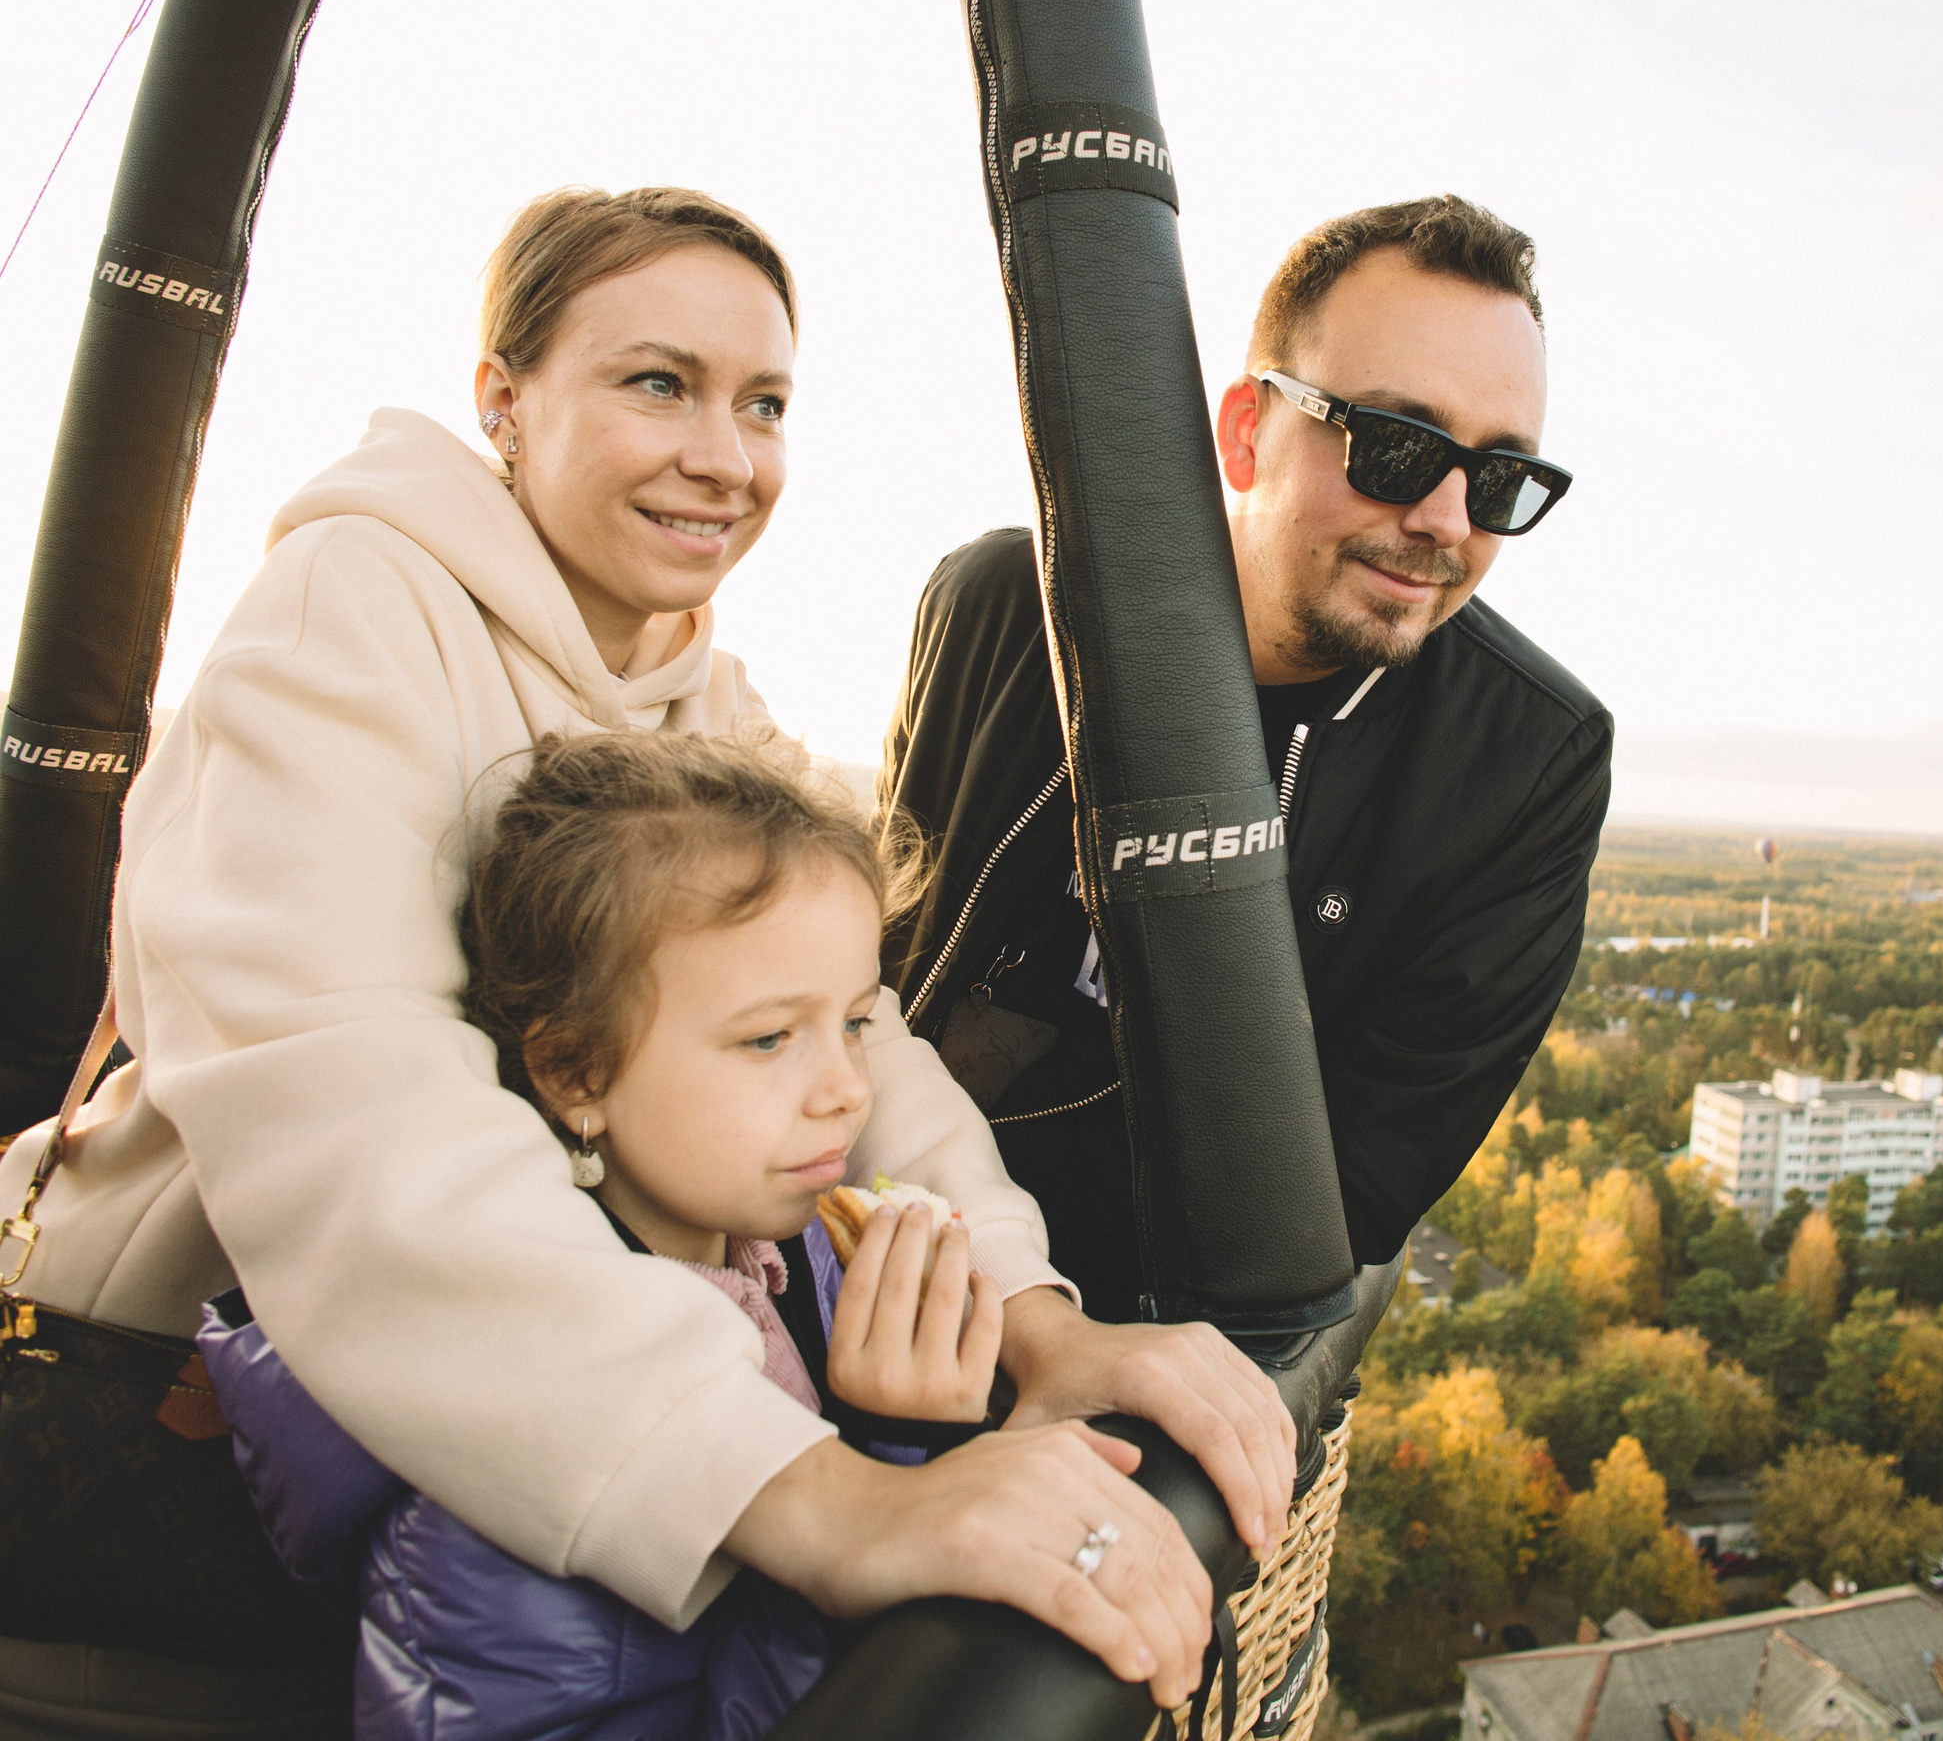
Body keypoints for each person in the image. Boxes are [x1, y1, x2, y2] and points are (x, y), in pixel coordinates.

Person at [0, 187, 1287, 1736]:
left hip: (547, 1451)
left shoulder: (707, 701)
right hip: (205, 1414)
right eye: (655, 383)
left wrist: (1036, 1319)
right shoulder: (348, 617)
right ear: (503, 401)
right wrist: (816, 1499)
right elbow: (355, 1117)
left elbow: (861, 1049)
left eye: (764, 406)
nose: (726, 458)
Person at [203, 729, 1126, 1740]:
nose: (845, 1090)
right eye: (769, 1037)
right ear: (577, 1074)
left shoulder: (789, 1249)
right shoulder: (505, 1458)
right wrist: (897, 1456)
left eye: (856, 1023)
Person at [881, 194, 1611, 1321]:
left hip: (1115, 1335)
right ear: (1244, 432)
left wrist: (1003, 1293)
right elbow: (875, 963)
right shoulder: (1002, 607)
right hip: (836, 1229)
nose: (1448, 521)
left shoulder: (1522, 763)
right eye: (1398, 446)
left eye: (1502, 478)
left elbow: (1348, 1192)